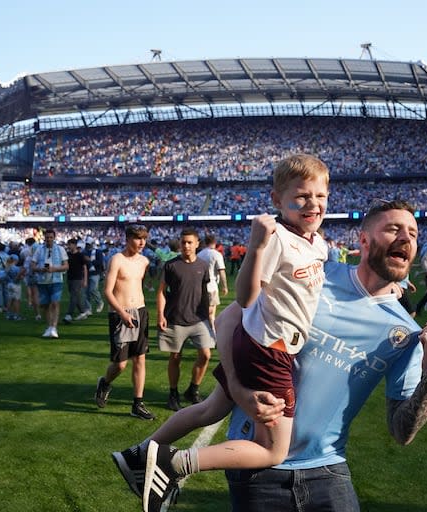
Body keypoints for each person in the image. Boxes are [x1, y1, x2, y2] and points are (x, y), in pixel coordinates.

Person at [112, 199, 427, 512]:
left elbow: (402, 432)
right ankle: (152, 457)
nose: (406, 237)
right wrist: (240, 390)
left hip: (328, 469)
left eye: (413, 233)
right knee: (211, 408)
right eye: (393, 229)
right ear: (363, 240)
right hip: (257, 469)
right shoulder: (315, 273)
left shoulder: (406, 332)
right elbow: (232, 318)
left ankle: (149, 454)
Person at [124, 154, 331, 511]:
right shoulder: (277, 237)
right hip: (271, 349)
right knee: (273, 449)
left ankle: (138, 455)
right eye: (301, 196)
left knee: (211, 409)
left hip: (259, 342)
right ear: (277, 201)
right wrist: (256, 247)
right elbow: (246, 296)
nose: (312, 203)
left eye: (320, 196)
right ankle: (174, 463)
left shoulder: (316, 241)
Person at [94, 224, 155, 420]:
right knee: (120, 364)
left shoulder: (144, 261)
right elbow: (107, 291)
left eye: (144, 238)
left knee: (140, 358)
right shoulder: (116, 260)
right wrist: (122, 313)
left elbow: (138, 285)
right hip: (120, 314)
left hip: (140, 312)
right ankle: (104, 382)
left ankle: (138, 404)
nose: (142, 242)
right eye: (138, 238)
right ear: (127, 239)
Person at [157, 227, 215, 411]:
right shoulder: (171, 265)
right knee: (175, 357)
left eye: (190, 242)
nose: (186, 246)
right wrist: (160, 315)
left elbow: (206, 292)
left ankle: (193, 389)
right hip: (175, 318)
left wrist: (210, 316)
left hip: (199, 319)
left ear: (198, 244)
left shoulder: (203, 265)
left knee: (206, 355)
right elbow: (161, 292)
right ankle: (173, 393)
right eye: (183, 242)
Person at [31, 228, 69, 339]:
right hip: (42, 281)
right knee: (45, 305)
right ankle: (49, 326)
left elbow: (66, 266)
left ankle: (54, 327)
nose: (49, 239)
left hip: (56, 280)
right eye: (47, 237)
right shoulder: (39, 250)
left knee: (55, 303)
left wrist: (55, 269)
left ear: (54, 238)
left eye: (51, 237)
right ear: (44, 238)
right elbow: (32, 266)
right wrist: (40, 269)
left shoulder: (60, 249)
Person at [196, 233, 229, 332]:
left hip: (200, 286)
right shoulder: (216, 254)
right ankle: (212, 334)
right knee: (211, 313)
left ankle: (203, 333)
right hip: (212, 286)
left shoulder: (199, 254)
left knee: (202, 312)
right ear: (214, 243)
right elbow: (221, 271)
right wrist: (225, 286)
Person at [62, 238, 90, 323]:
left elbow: (85, 268)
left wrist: (85, 280)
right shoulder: (67, 255)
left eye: (70, 244)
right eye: (68, 244)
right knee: (75, 296)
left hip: (78, 278)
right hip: (70, 277)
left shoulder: (80, 255)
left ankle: (69, 314)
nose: (69, 246)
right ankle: (83, 311)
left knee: (73, 296)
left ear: (75, 245)